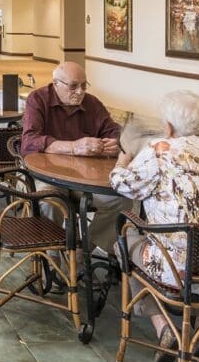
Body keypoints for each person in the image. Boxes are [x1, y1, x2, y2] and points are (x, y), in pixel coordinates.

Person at [110, 90, 199, 362]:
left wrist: (124, 157)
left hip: (180, 270)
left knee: (124, 242)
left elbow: (122, 185)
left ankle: (165, 328)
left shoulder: (159, 150)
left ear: (168, 126)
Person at [21, 61, 127, 254]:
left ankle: (84, 251)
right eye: (73, 86)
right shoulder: (38, 100)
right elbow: (29, 141)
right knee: (50, 201)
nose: (80, 91)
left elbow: (115, 133)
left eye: (84, 85)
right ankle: (52, 261)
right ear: (56, 84)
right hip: (48, 175)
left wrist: (115, 144)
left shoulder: (92, 104)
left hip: (84, 179)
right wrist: (74, 147)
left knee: (120, 201)